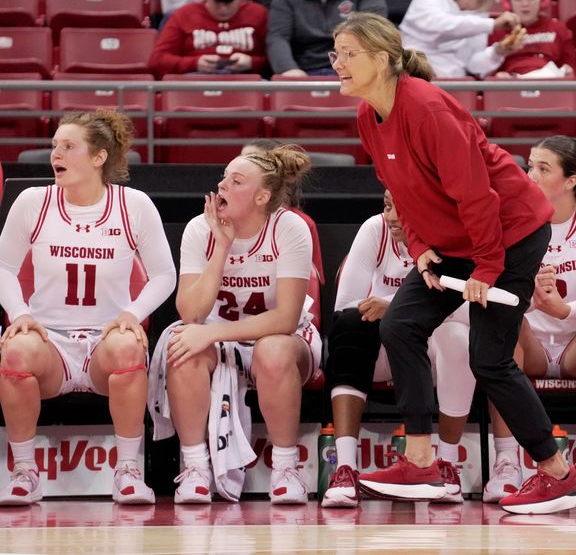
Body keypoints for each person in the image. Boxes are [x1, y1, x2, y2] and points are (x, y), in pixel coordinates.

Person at [331, 12, 576, 514]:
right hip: (456, 238)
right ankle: (421, 460)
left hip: (510, 232)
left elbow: (478, 196)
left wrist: (488, 268)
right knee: (401, 324)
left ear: (383, 59)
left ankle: (560, 475)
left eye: (347, 53)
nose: (336, 62)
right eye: (335, 52)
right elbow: (401, 190)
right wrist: (421, 246)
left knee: (489, 359)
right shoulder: (368, 116)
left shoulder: (427, 109)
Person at [0, 110, 176, 505]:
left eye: (68, 146)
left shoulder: (134, 204)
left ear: (98, 157)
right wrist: (20, 313)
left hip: (104, 342)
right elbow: (3, 268)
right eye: (54, 146)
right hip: (51, 344)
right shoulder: (34, 201)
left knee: (129, 346)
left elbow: (165, 275)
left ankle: (128, 471)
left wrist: (132, 313)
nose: (55, 154)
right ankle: (25, 472)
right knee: (15, 349)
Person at [160, 146, 322, 504]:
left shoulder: (290, 227)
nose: (222, 186)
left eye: (236, 181)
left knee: (273, 349)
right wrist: (221, 247)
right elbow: (190, 312)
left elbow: (285, 319)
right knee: (183, 345)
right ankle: (195, 467)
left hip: (283, 337)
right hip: (219, 338)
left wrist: (212, 332)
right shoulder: (198, 228)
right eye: (223, 177)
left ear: (263, 196)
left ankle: (285, 468)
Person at [482, 136, 576, 504]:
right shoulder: (511, 213)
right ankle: (506, 461)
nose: (530, 175)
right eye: (530, 165)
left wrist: (562, 310)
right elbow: (503, 296)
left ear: (571, 181)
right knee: (502, 324)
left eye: (543, 168)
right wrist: (533, 301)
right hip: (530, 340)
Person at [322, 190, 474, 508]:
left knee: (458, 337)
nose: (390, 217)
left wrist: (393, 306)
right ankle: (345, 469)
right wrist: (394, 314)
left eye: (400, 208)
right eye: (387, 206)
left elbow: (468, 309)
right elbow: (345, 305)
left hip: (431, 354)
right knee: (348, 326)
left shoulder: (453, 240)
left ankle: (446, 467)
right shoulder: (374, 230)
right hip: (382, 351)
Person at [239, 139, 325, 284]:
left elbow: (313, 284)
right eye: (240, 159)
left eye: (252, 161)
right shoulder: (222, 220)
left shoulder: (301, 223)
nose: (240, 166)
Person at [399, 0, 525, 79]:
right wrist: (491, 24)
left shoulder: (478, 17)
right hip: (416, 73)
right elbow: (440, 26)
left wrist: (498, 52)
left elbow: (472, 65)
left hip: (454, 83)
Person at [148, 0, 269, 78]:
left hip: (246, 81)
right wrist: (194, 63)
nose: (223, 9)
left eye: (229, 3)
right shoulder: (183, 14)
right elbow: (157, 61)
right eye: (217, 3)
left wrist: (252, 62)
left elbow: (275, 61)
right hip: (195, 79)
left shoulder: (258, 14)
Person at [267, 0, 387, 77]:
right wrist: (288, 69)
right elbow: (278, 37)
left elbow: (372, 33)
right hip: (304, 70)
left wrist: (356, 69)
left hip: (353, 67)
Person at [487, 0, 576, 78]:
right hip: (511, 87)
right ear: (508, 1)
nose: (525, 4)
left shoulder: (559, 29)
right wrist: (497, 76)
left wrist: (568, 71)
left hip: (549, 85)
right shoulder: (496, 31)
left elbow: (570, 68)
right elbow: (486, 71)